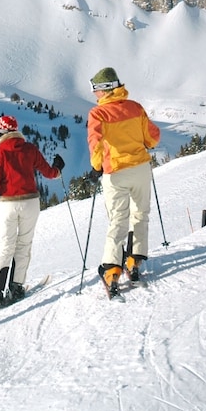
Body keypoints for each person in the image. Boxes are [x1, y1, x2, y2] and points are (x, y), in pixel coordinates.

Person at [0, 115, 63, 309]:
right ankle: (16, 287)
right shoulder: (30, 149)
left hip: (8, 205)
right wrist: (58, 168)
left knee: (5, 246)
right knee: (23, 245)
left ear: (0, 132)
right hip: (31, 203)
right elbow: (50, 173)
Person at [86, 67, 161, 296]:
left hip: (116, 172)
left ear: (105, 89)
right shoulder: (135, 107)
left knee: (118, 219)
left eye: (95, 89)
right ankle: (134, 262)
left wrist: (96, 166)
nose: (94, 93)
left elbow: (96, 144)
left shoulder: (98, 114)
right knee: (141, 214)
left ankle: (112, 270)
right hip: (140, 169)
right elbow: (153, 137)